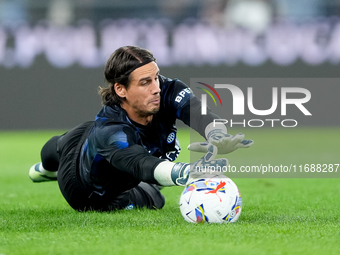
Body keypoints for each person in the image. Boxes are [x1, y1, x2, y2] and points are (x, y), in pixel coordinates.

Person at [29, 46, 253, 212]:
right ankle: (47, 169)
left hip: (102, 151)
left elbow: (196, 111)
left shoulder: (166, 90)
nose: (156, 88)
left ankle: (49, 166)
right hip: (89, 193)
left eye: (156, 77)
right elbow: (141, 164)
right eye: (145, 82)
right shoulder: (110, 132)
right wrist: (187, 172)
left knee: (84, 136)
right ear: (121, 89)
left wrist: (218, 135)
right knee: (58, 146)